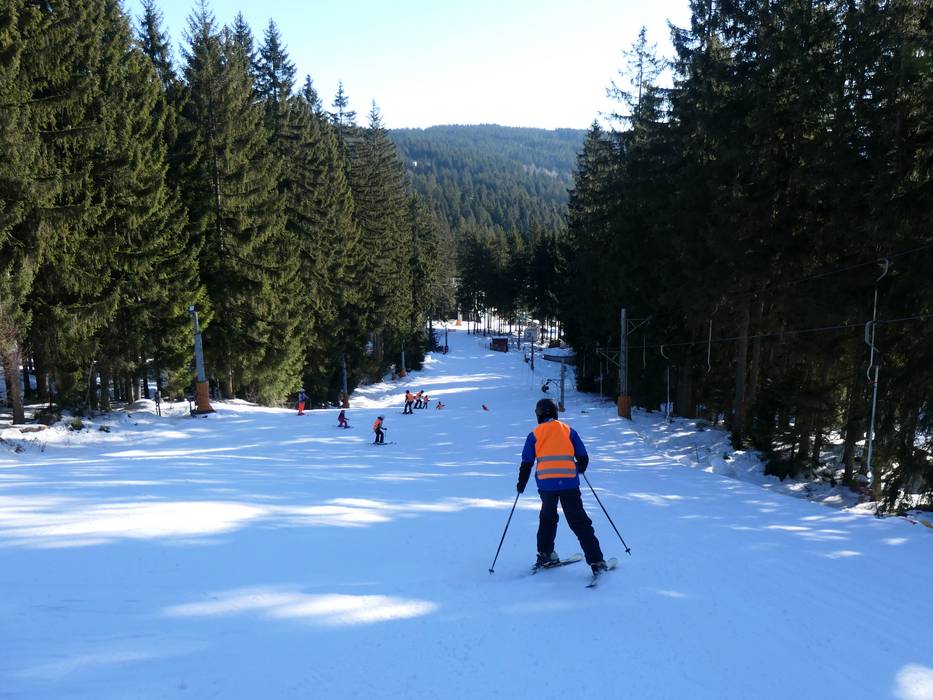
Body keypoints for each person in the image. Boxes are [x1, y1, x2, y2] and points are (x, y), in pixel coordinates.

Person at [516, 398, 608, 575]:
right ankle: (596, 561)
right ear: (555, 413)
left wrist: (521, 484)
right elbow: (583, 458)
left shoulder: (534, 434)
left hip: (546, 485)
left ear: (538, 415)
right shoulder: (568, 430)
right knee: (579, 522)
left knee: (547, 519)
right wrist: (579, 467)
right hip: (569, 484)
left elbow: (527, 462)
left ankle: (545, 554)